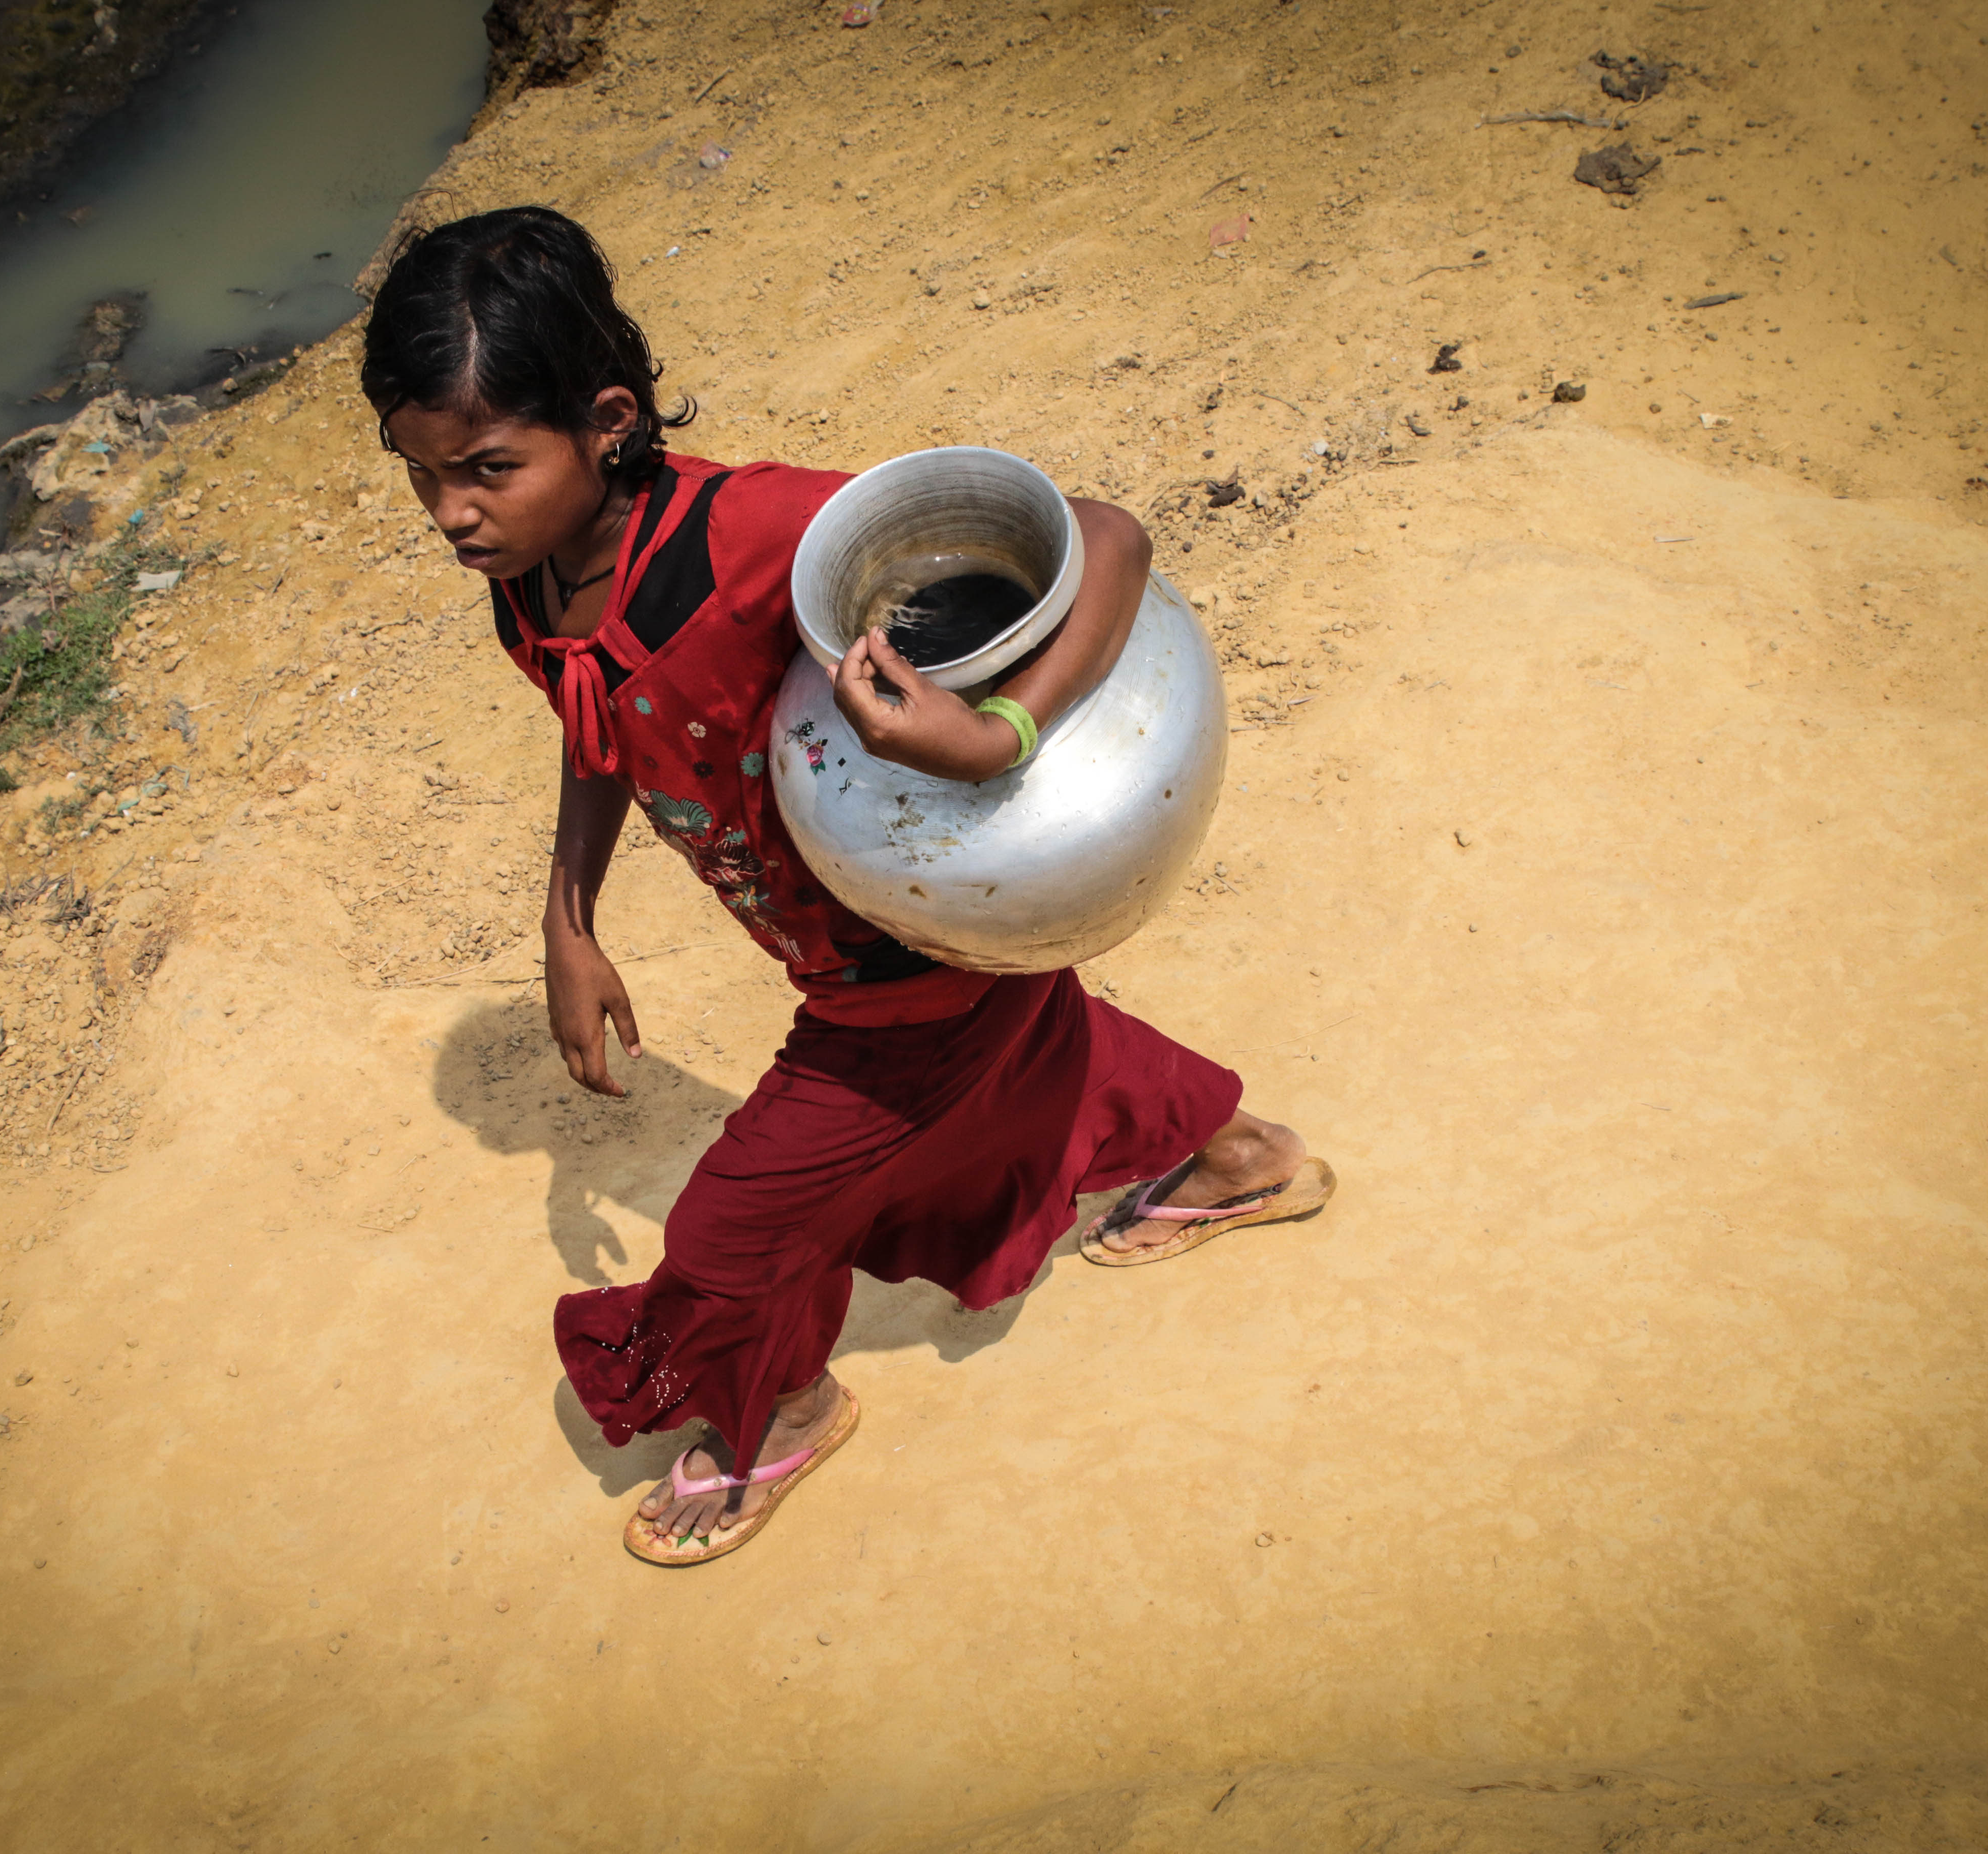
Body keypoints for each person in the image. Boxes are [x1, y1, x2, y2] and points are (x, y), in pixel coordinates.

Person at [359, 206, 1334, 1565]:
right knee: (1040, 1068)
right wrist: (567, 917)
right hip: (860, 952)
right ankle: (1242, 1161)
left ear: (606, 420)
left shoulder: (752, 534)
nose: (451, 515)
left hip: (911, 951)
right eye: (420, 477)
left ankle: (785, 1412)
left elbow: (1106, 537)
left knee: (729, 1236)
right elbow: (593, 717)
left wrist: (1000, 733)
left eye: (485, 468)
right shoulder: (530, 582)